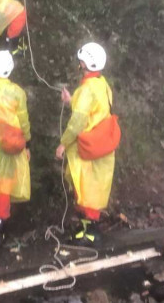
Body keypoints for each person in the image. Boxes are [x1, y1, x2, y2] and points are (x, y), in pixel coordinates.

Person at [55, 42, 119, 246]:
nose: (79, 64)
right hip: (102, 144)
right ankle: (86, 230)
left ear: (85, 63)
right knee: (94, 189)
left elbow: (78, 121)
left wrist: (63, 143)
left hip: (87, 147)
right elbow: (94, 107)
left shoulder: (86, 89)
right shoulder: (103, 84)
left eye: (80, 61)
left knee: (86, 189)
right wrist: (71, 100)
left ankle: (90, 233)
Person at [0, 50, 32, 248]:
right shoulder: (17, 92)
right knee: (4, 188)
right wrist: (27, 143)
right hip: (9, 147)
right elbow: (24, 120)